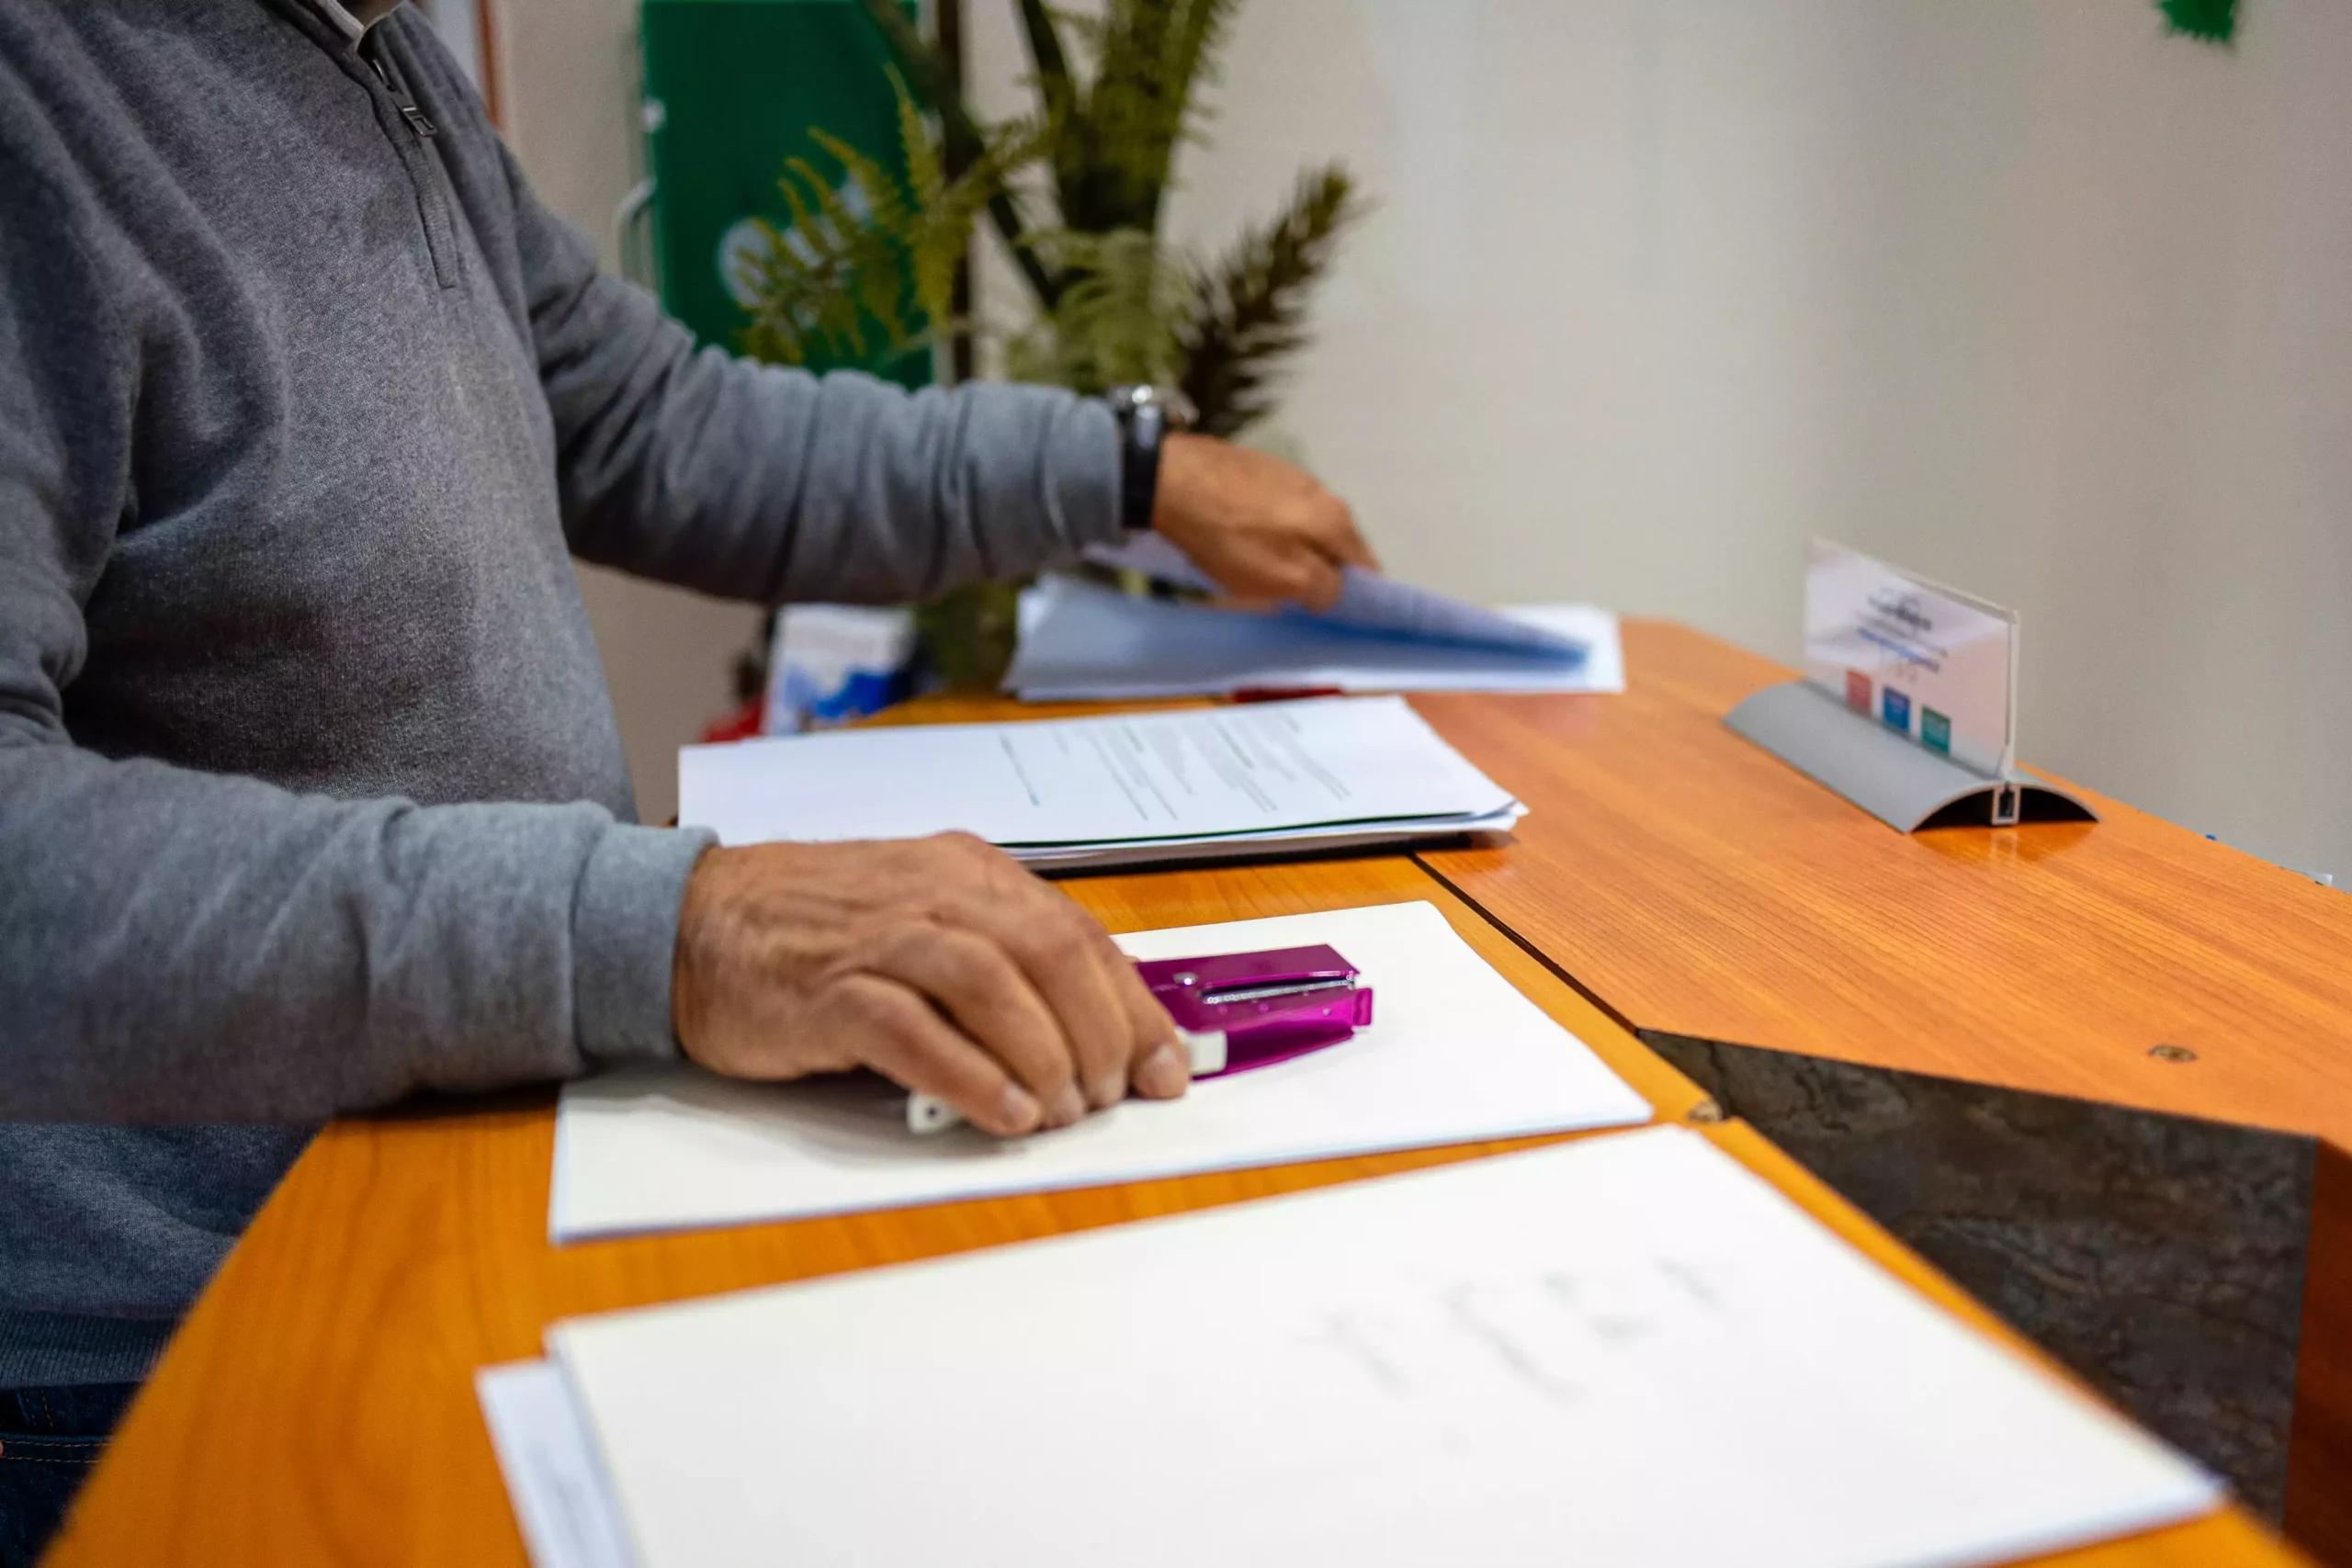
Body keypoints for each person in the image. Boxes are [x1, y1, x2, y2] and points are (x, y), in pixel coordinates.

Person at [0, 0, 1375, 1556]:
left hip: (489, 1170)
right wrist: (677, 927)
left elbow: (656, 423)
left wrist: (1121, 470)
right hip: (181, 1345)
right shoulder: (43, 99)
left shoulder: (369, 52)